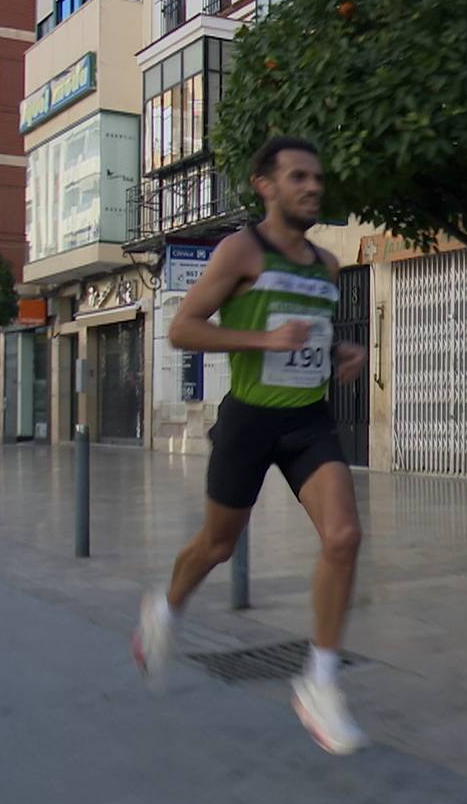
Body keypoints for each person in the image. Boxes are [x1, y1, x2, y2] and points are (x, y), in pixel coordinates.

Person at [132, 136, 370, 755]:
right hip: (249, 420)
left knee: (344, 537)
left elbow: (309, 335)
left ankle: (318, 680)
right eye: (298, 177)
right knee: (217, 544)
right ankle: (165, 609)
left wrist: (339, 350)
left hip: (308, 421)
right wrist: (264, 343)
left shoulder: (326, 264)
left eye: (317, 177)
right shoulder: (243, 250)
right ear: (265, 185)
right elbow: (183, 329)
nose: (312, 187)